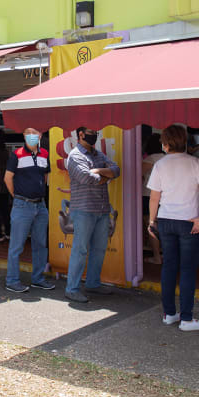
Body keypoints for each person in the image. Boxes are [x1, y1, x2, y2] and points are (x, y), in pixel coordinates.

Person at [147, 124, 199, 332]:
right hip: (189, 221)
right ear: (184, 141)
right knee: (187, 270)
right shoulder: (194, 162)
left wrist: (151, 221)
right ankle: (186, 318)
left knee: (168, 267)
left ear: (166, 144)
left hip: (165, 220)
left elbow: (154, 197)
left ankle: (169, 314)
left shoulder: (160, 164)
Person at [64, 127, 121, 304]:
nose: (94, 135)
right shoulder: (75, 156)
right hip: (84, 209)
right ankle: (72, 289)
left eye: (95, 132)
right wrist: (104, 175)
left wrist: (96, 171)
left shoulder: (98, 154)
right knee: (80, 250)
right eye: (90, 131)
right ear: (80, 134)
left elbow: (116, 170)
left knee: (99, 249)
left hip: (102, 209)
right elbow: (86, 178)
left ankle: (93, 283)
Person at [3, 127, 55, 293]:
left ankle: (38, 279)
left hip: (40, 205)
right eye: (29, 133)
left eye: (35, 133)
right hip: (22, 205)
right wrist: (17, 196)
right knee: (17, 246)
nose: (32, 136)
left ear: (40, 135)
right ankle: (12, 280)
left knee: (40, 244)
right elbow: (7, 178)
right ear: (24, 135)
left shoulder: (45, 154)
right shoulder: (16, 154)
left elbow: (44, 177)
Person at [142, 134, 165, 264]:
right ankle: (165, 254)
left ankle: (157, 256)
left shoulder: (150, 159)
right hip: (165, 196)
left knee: (151, 225)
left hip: (149, 195)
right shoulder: (166, 157)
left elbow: (137, 175)